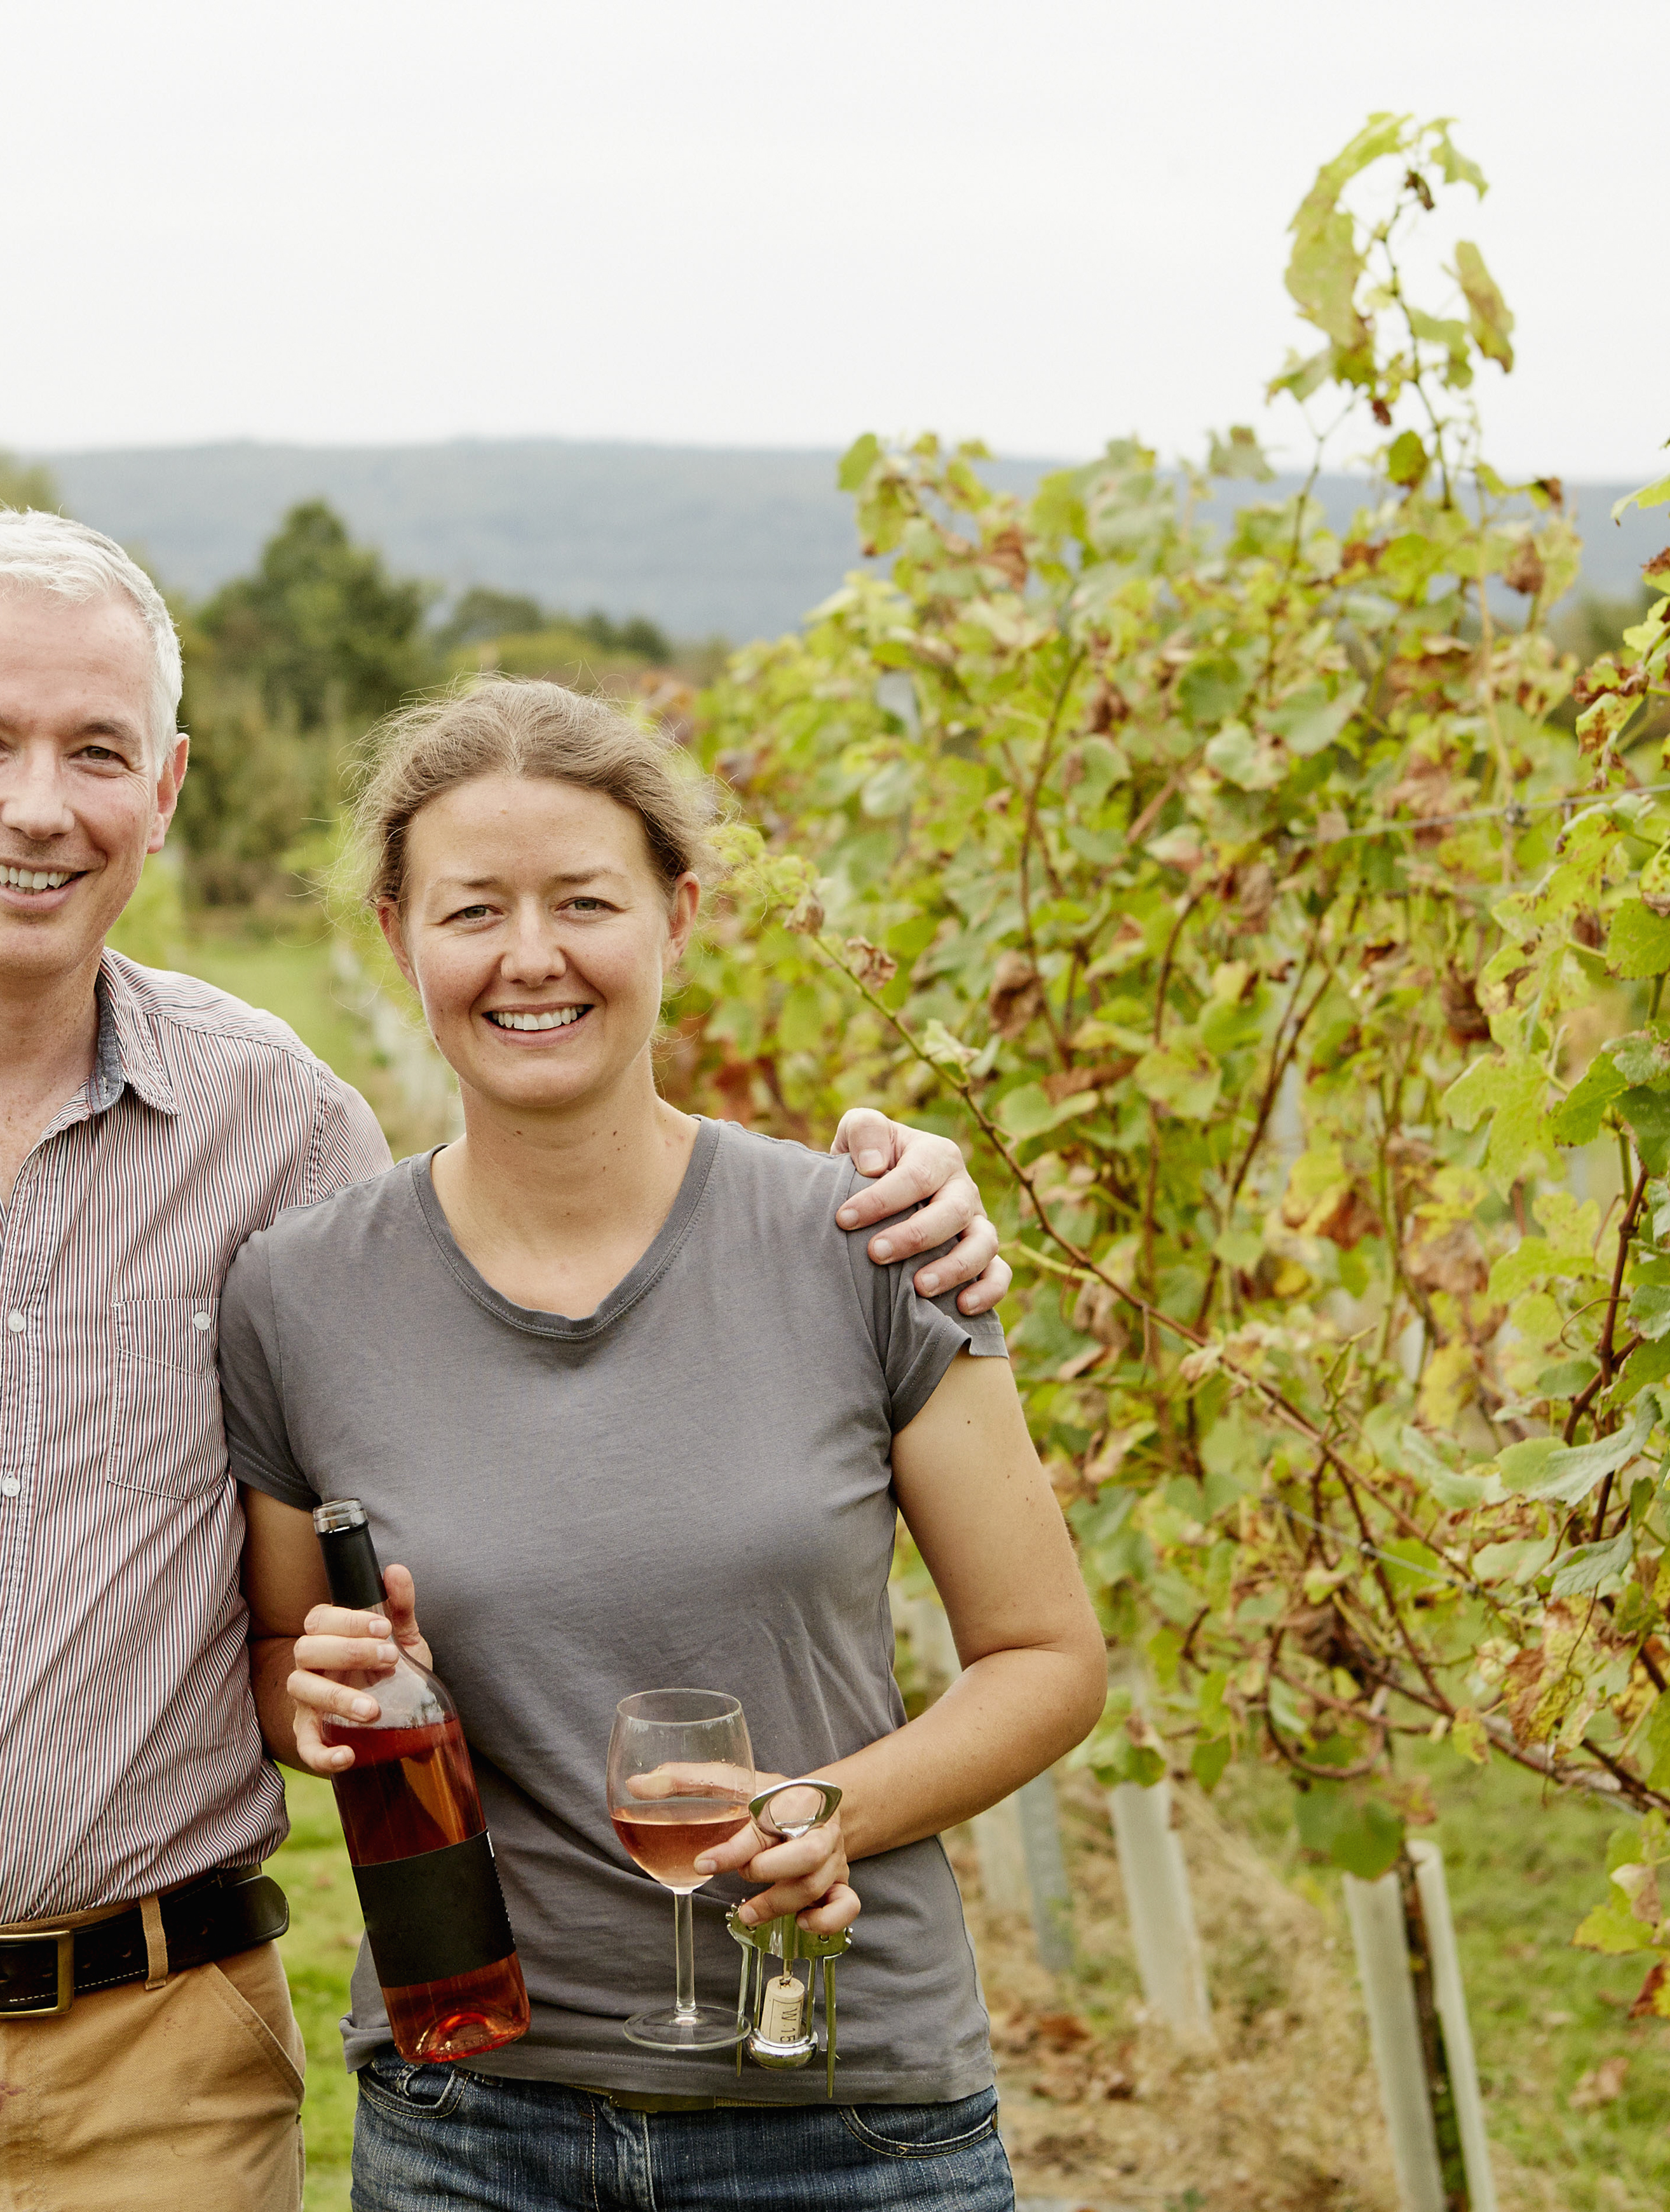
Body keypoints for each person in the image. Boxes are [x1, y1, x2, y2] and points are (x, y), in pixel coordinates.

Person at [0, 513, 1012, 2212]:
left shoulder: (283, 1135)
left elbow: (465, 1359)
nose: (37, 803)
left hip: (166, 2084)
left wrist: (891, 1197)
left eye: (97, 750)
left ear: (164, 789)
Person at [224, 678, 1105, 2211]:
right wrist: (315, 1692)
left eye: (584, 901)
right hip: (469, 2120)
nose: (530, 957)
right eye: (471, 910)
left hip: (841, 2107)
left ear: (679, 916)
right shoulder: (298, 1293)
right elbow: (280, 1643)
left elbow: (1044, 1656)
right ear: (394, 937)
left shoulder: (868, 1241)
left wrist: (820, 1811)